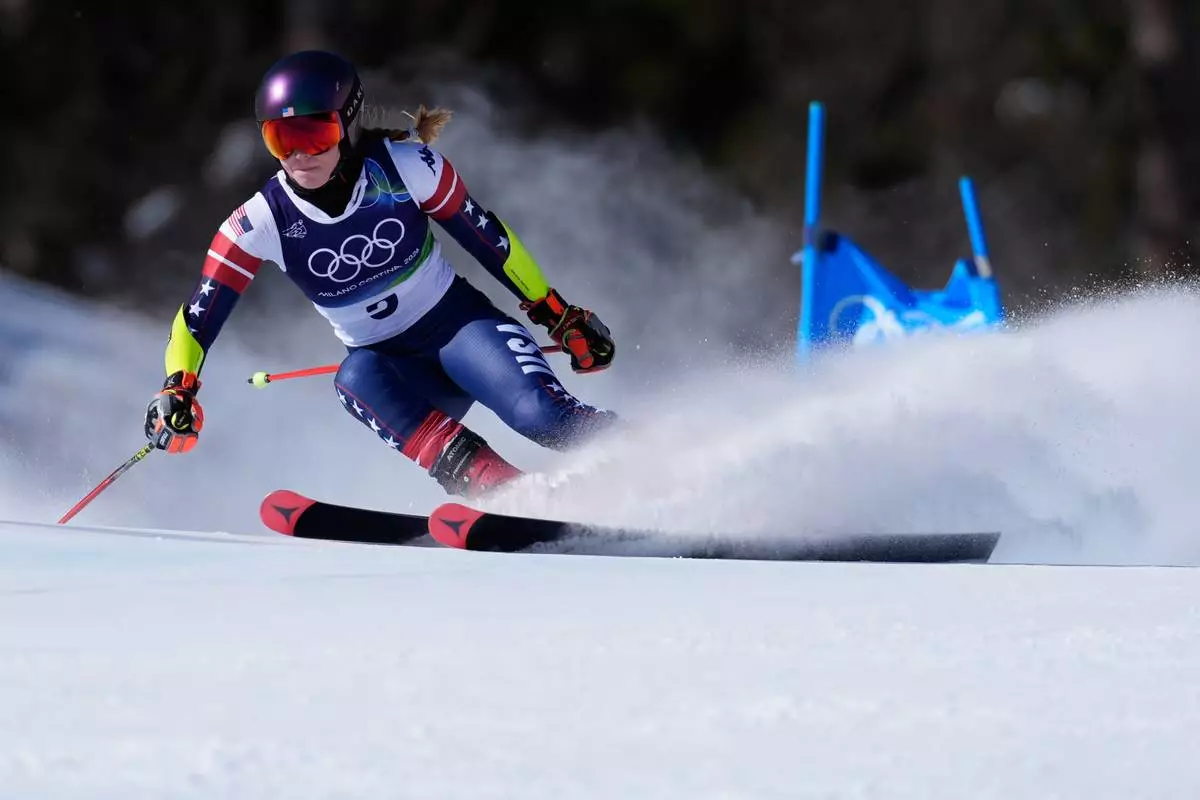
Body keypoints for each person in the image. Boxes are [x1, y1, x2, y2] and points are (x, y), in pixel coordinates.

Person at [144, 50, 617, 498]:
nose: (299, 154)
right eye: (280, 139)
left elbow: (490, 241)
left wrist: (559, 315)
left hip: (463, 330)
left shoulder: (407, 168)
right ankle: (501, 490)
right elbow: (197, 318)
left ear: (348, 125)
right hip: (398, 375)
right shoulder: (260, 221)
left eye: (314, 135)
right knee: (353, 378)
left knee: (543, 417)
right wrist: (177, 387)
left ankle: (641, 456)